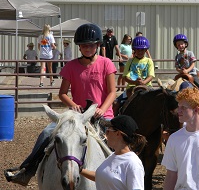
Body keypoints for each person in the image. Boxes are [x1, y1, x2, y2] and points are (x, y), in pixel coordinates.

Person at [4, 23, 117, 186]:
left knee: (120, 140)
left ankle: (121, 178)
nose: (87, 48)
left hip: (102, 115)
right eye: (84, 45)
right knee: (46, 133)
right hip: (76, 116)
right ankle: (27, 170)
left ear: (98, 45)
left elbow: (112, 92)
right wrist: (73, 105)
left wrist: (102, 109)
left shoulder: (106, 64)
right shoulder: (71, 66)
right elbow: (62, 93)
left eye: (91, 45)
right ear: (79, 47)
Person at [80, 115, 147, 190]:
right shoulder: (113, 156)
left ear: (118, 133)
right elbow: (103, 177)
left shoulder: (133, 163)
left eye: (108, 131)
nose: (105, 134)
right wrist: (80, 170)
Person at [113, 36, 155, 116]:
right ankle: (114, 122)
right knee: (116, 103)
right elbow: (125, 77)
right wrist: (135, 82)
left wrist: (143, 82)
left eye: (142, 49)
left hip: (148, 87)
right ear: (134, 49)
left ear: (146, 50)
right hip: (131, 87)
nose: (140, 51)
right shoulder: (130, 61)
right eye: (137, 49)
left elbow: (151, 75)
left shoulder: (149, 61)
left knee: (158, 102)